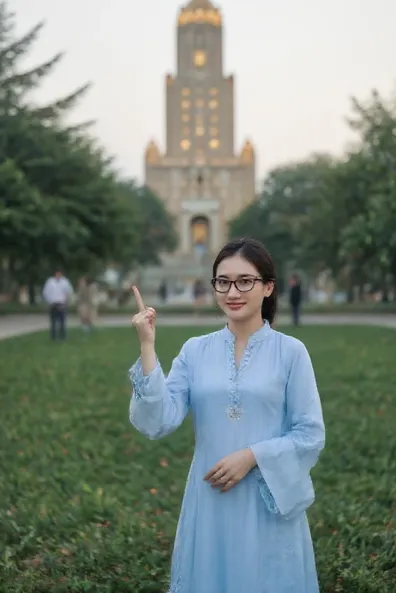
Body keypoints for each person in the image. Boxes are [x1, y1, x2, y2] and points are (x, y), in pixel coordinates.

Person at [129, 237, 325, 593]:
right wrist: (147, 345)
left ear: (268, 287)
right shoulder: (195, 350)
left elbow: (310, 433)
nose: (232, 291)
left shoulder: (291, 352)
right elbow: (158, 420)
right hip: (210, 499)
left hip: (267, 500)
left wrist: (252, 456)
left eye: (244, 281)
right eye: (223, 281)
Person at [42, 270, 73, 340]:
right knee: (53, 321)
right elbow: (45, 293)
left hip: (62, 303)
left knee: (62, 321)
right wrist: (48, 302)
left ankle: (63, 336)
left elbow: (69, 292)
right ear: (54, 274)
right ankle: (53, 336)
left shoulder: (65, 282)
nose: (58, 275)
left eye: (59, 273)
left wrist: (67, 302)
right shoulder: (49, 282)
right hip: (53, 304)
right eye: (56, 273)